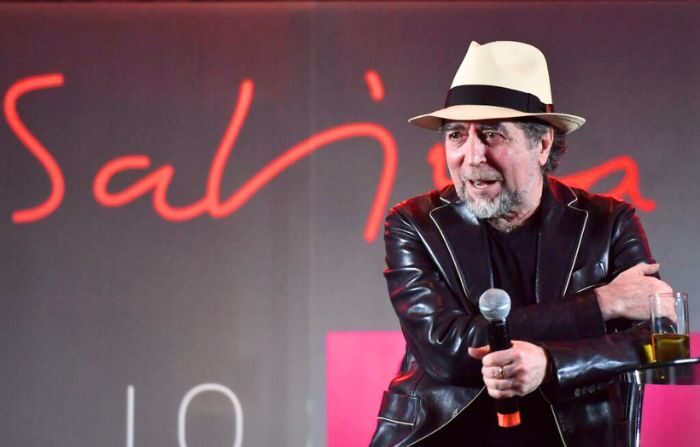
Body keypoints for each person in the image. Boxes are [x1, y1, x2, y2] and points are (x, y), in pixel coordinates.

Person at [370, 41, 674, 447]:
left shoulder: (610, 222)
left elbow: (662, 342)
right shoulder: (414, 224)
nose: (472, 155)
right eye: (457, 135)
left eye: (492, 134)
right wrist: (601, 304)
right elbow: (446, 350)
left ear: (542, 144)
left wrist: (550, 364)